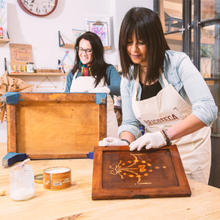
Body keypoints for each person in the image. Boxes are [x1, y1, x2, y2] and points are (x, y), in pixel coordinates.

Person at [99, 7, 218, 184]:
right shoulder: (128, 78)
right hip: (156, 154)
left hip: (191, 152)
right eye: (129, 42)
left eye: (141, 42)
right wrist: (124, 142)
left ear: (154, 40)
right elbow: (130, 123)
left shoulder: (179, 63)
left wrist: (163, 136)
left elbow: (208, 109)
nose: (133, 49)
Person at [65, 31, 121, 138]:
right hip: (78, 125)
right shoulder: (72, 75)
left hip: (105, 125)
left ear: (96, 51)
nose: (83, 54)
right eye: (81, 49)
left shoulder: (108, 70)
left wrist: (105, 89)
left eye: (88, 50)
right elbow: (65, 101)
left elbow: (120, 87)